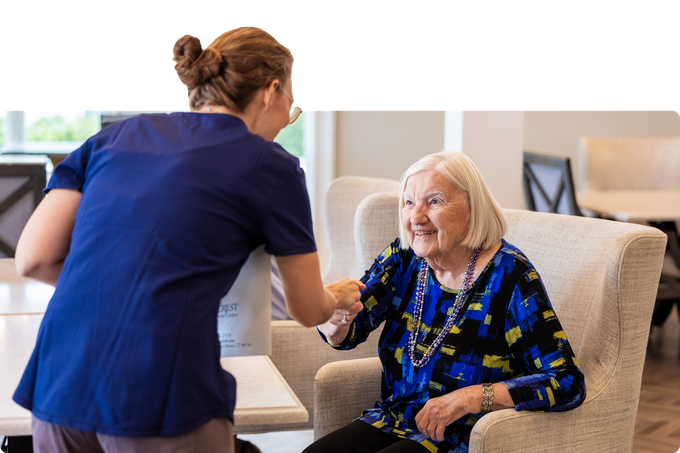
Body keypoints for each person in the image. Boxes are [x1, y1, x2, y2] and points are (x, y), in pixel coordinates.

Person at [12, 26, 363, 453]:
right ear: (271, 90)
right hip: (157, 391)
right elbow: (307, 308)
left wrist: (120, 287)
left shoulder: (115, 136)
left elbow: (32, 258)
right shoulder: (273, 167)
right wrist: (338, 296)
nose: (290, 114)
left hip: (57, 383)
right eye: (293, 101)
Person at [305, 152, 586, 453]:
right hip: (394, 420)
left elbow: (566, 382)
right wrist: (333, 319)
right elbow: (350, 330)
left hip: (463, 436)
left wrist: (471, 397)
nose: (416, 216)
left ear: (472, 208)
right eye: (409, 202)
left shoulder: (510, 276)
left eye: (434, 201)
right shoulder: (403, 259)